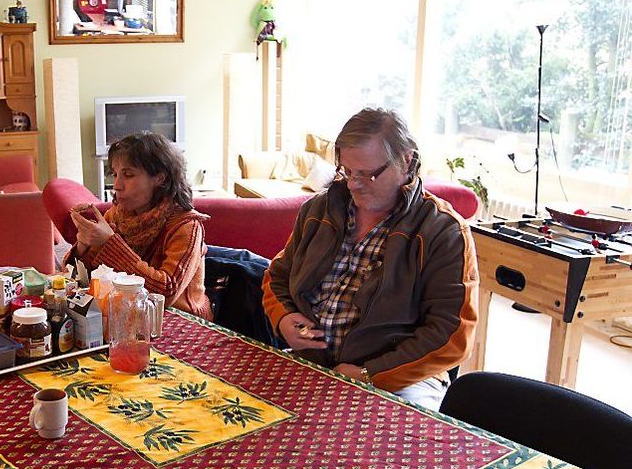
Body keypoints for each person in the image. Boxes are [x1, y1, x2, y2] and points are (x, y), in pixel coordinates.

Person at [262, 108, 477, 409]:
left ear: (407, 161)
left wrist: (369, 374)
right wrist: (283, 317)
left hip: (402, 379)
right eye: (346, 171)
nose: (353, 184)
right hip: (314, 359)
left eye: (367, 174)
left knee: (382, 451)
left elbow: (451, 335)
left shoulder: (443, 230)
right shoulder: (320, 210)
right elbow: (278, 274)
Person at [70, 131, 212, 320]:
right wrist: (83, 246)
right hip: (130, 316)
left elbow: (165, 294)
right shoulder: (115, 215)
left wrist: (109, 244)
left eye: (128, 175)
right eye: (115, 174)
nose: (117, 185)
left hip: (183, 322)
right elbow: (82, 280)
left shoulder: (187, 226)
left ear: (160, 178)